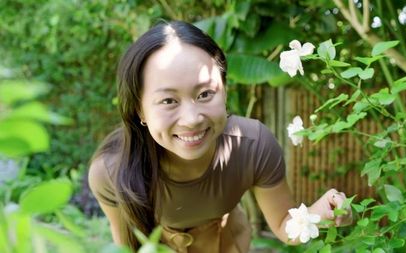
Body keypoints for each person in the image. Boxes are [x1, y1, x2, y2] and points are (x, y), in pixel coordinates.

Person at [88, 20, 352, 253]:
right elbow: (126, 247)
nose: (192, 119)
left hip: (225, 240)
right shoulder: (111, 170)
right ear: (139, 109)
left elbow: (285, 225)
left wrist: (319, 213)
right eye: (168, 100)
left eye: (205, 94)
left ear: (224, 91)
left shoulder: (253, 146)